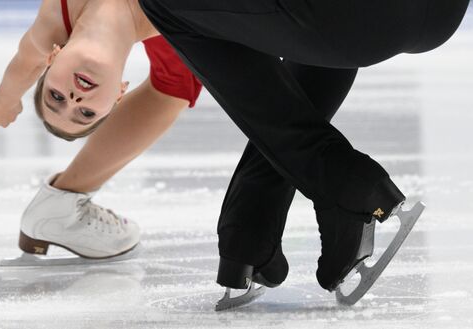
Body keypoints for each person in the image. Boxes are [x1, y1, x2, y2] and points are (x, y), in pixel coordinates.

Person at [135, 0, 469, 298]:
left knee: (165, 5)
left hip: (363, 15)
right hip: (441, 14)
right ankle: (250, 227)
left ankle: (344, 181)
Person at [0, 0, 202, 260]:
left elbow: (27, 61)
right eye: (86, 113)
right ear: (119, 93)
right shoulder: (185, 22)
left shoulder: (54, 24)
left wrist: (4, 99)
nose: (75, 100)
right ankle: (63, 202)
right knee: (176, 84)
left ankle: (61, 203)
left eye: (56, 96)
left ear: (53, 57)